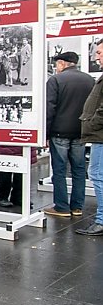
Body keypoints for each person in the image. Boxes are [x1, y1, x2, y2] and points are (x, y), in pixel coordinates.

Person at [43, 51, 94, 218]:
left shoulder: (55, 80)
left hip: (59, 132)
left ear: (62, 63)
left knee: (59, 170)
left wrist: (45, 134)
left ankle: (62, 207)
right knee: (79, 170)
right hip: (80, 132)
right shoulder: (89, 80)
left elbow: (49, 109)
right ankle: (77, 207)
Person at [77, 39, 103, 236]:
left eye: (100, 53)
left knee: (97, 175)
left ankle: (101, 220)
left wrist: (92, 124)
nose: (97, 56)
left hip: (100, 135)